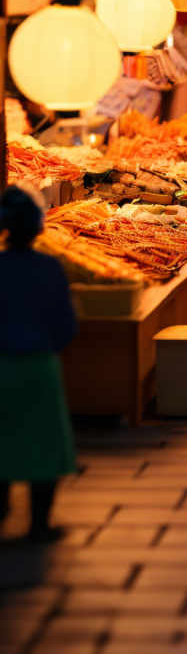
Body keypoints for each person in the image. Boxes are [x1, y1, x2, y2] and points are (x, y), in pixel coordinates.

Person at [0, 185, 78, 541]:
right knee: (43, 445)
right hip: (37, 367)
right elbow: (65, 323)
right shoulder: (49, 268)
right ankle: (39, 524)